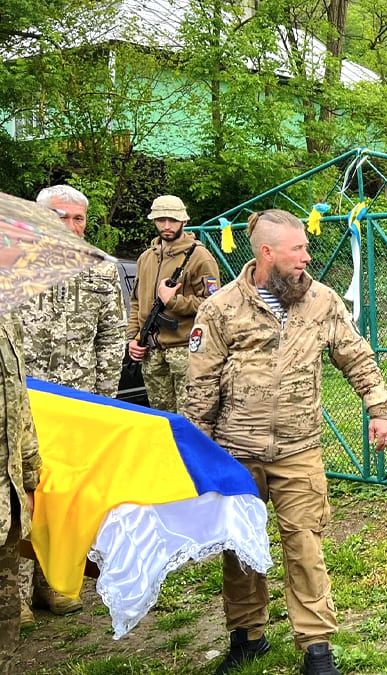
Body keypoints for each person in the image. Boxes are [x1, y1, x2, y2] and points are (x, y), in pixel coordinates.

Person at [183, 209, 387, 675]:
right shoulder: (220, 310)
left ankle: (316, 648)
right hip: (235, 453)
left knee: (305, 545)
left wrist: (378, 409)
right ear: (267, 253)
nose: (306, 257)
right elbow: (199, 385)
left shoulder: (320, 301)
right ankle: (247, 637)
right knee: (241, 548)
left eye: (304, 247)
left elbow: (356, 355)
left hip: (300, 448)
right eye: (297, 249)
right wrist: (196, 453)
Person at [18, 185, 125, 623]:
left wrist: (101, 402)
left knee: (66, 497)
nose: (72, 226)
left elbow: (112, 337)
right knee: (24, 495)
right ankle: (16, 598)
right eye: (62, 217)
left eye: (78, 219)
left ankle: (57, 583)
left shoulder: (101, 268)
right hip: (25, 405)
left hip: (78, 403)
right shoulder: (13, 266)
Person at [126, 195, 220, 413]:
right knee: (160, 418)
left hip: (185, 351)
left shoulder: (200, 257)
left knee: (190, 418)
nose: (166, 226)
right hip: (151, 351)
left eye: (173, 220)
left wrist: (173, 302)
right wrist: (133, 337)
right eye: (161, 220)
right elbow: (136, 302)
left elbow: (214, 304)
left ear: (184, 221)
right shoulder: (145, 258)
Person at [0, 315, 42, 675]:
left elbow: (20, 405)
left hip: (7, 496)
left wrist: (30, 477)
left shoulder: (7, 321)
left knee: (6, 608)